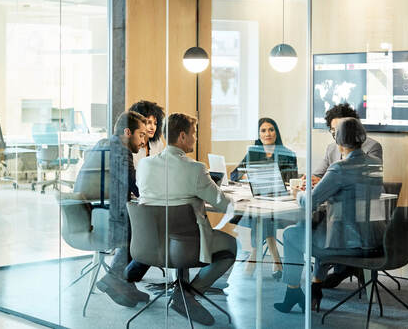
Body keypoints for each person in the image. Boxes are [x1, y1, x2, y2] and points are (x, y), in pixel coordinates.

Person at [126, 113, 237, 326]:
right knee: (231, 246)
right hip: (184, 247)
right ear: (183, 136)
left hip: (149, 246)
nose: (195, 139)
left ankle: (183, 292)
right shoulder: (195, 169)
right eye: (194, 134)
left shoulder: (145, 165)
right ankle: (187, 293)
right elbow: (224, 204)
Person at [274, 117, 385, 314]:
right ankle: (315, 287)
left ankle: (293, 291)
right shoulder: (375, 163)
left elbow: (310, 202)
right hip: (373, 240)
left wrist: (298, 193)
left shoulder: (339, 168)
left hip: (346, 244)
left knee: (291, 235)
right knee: (311, 228)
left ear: (339, 141)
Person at [309, 103, 383, 288]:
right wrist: (317, 181)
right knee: (317, 225)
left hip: (354, 222)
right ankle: (334, 272)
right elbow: (319, 175)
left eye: (340, 129)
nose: (337, 135)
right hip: (344, 218)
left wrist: (327, 184)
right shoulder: (332, 150)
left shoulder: (372, 148)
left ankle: (312, 286)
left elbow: (358, 181)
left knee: (300, 233)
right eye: (333, 130)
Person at [92, 111, 151, 308]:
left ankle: (125, 284)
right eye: (141, 134)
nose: (144, 141)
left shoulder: (105, 144)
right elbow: (134, 184)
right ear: (127, 132)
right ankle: (113, 278)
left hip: (96, 212)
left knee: (144, 225)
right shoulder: (120, 150)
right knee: (150, 231)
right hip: (112, 216)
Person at [230, 117, 298, 278]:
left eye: (271, 129)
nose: (267, 133)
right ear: (258, 134)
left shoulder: (287, 154)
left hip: (280, 206)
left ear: (276, 132)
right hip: (259, 202)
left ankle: (253, 257)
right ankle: (276, 260)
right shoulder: (254, 152)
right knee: (261, 216)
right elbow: (234, 174)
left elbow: (290, 181)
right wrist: (248, 177)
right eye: (263, 130)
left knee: (261, 217)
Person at [129, 100, 165, 167]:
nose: (153, 127)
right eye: (148, 123)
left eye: (155, 123)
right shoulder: (129, 146)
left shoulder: (158, 143)